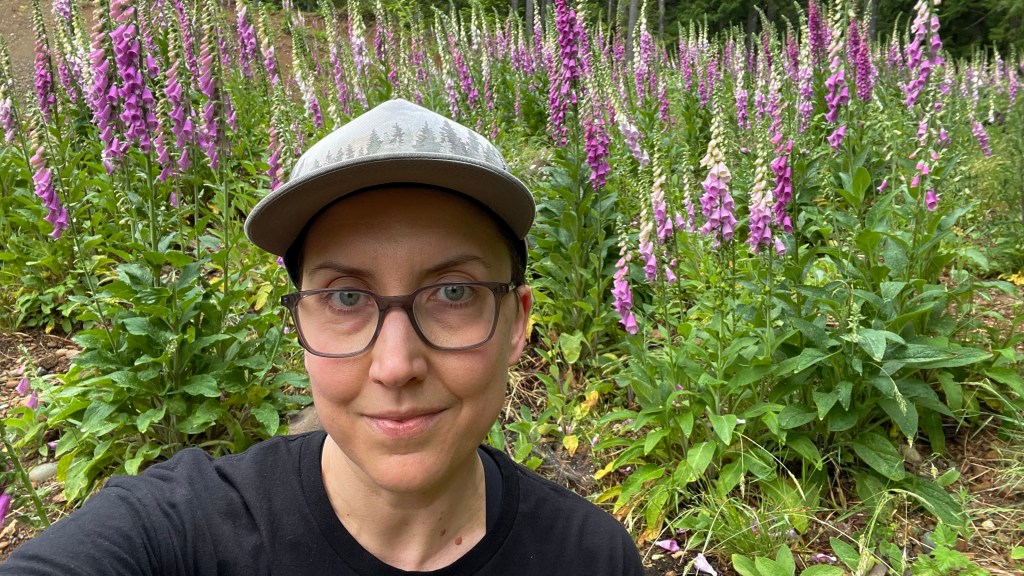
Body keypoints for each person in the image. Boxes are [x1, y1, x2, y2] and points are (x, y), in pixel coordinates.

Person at [0, 99, 644, 574]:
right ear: (299, 327)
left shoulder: (592, 557)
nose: (396, 365)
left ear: (518, 323)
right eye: (345, 297)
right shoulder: (181, 532)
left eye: (454, 292)